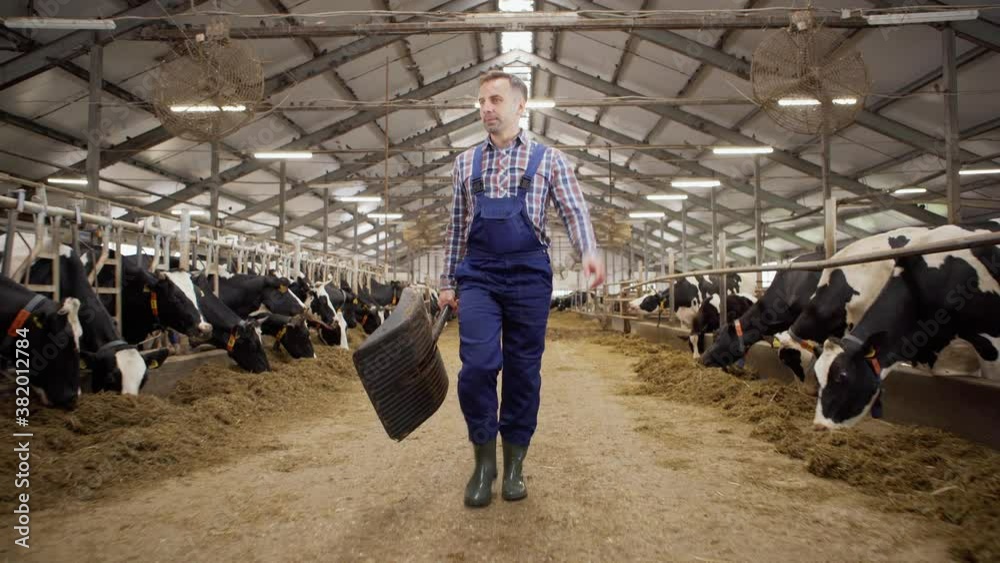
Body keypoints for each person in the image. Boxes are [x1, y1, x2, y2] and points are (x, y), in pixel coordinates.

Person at [437, 70, 606, 508]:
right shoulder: (464, 164)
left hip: (531, 276)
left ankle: (514, 463)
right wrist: (445, 283)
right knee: (476, 365)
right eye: (481, 101)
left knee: (523, 371)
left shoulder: (549, 161)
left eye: (495, 100)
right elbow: (456, 228)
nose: (486, 108)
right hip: (479, 275)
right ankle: (483, 461)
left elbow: (575, 211)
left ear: (520, 106)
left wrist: (588, 251)